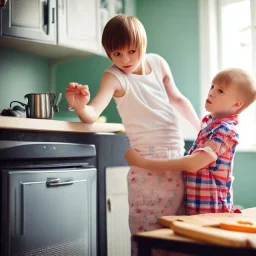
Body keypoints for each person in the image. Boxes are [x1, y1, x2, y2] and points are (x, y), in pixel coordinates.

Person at [65, 14, 200, 255]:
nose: (125, 59)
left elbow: (177, 98)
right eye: (116, 54)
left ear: (143, 45)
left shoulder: (158, 63)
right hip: (147, 163)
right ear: (109, 53)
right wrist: (79, 105)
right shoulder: (114, 76)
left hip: (176, 155)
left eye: (131, 51)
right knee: (148, 232)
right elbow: (92, 113)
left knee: (178, 231)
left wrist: (201, 129)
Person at [125, 68, 256, 216]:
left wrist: (143, 163)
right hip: (197, 209)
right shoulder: (210, 124)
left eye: (220, 91)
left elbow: (193, 164)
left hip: (212, 212)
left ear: (237, 104)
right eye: (212, 86)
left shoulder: (225, 130)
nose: (211, 92)